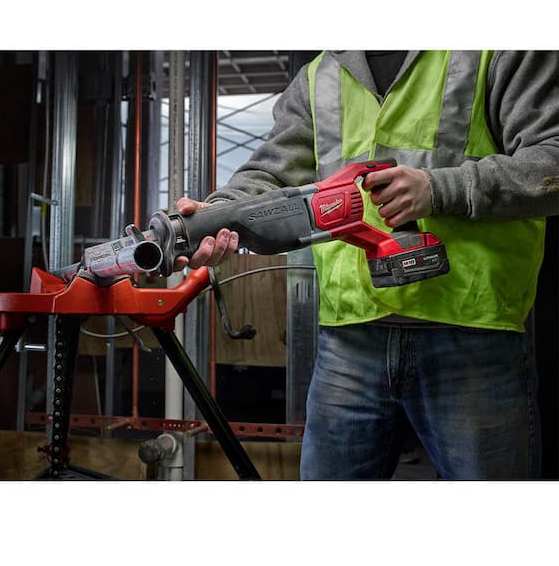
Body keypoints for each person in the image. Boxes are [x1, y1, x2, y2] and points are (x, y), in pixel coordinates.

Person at [175, 51, 559, 480]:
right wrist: (217, 215)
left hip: (472, 331)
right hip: (349, 341)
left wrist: (440, 188)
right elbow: (270, 176)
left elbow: (551, 160)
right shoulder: (319, 76)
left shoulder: (495, 51)